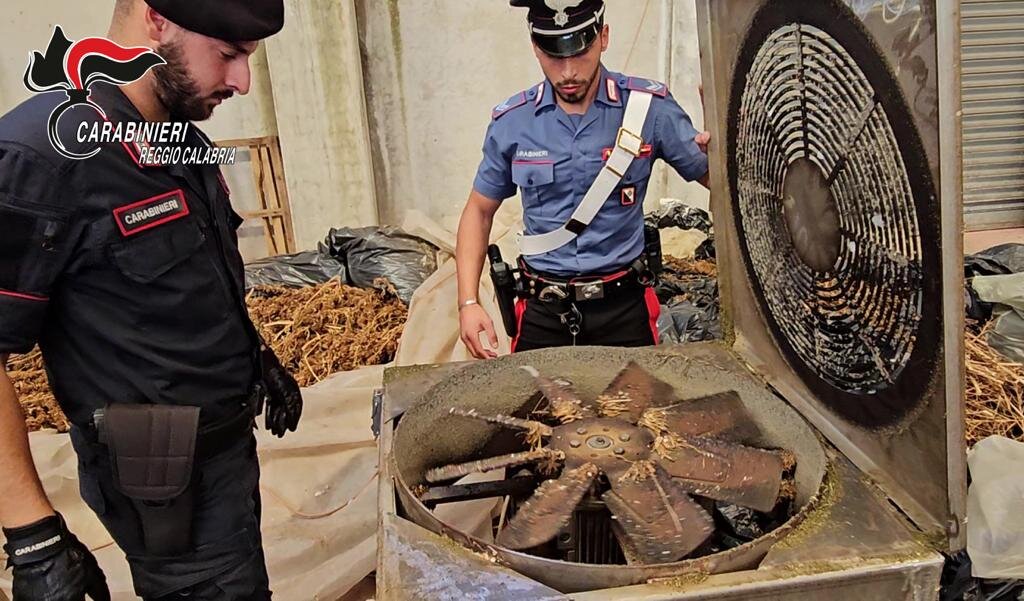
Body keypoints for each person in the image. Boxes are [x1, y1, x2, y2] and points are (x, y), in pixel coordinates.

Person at [0, 1, 302, 599]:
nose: (243, 81)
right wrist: (33, 537)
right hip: (160, 478)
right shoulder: (41, 157)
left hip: (224, 453)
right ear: (156, 18)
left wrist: (255, 357)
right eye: (228, 54)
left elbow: (188, 283)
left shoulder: (176, 138)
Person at [456, 0, 711, 359]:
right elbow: (479, 211)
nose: (568, 71)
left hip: (624, 310)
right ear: (535, 47)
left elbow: (718, 181)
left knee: (638, 398)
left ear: (603, 37)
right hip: (543, 310)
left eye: (580, 52)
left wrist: (727, 140)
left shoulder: (647, 108)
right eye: (554, 55)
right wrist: (468, 302)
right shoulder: (513, 122)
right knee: (534, 397)